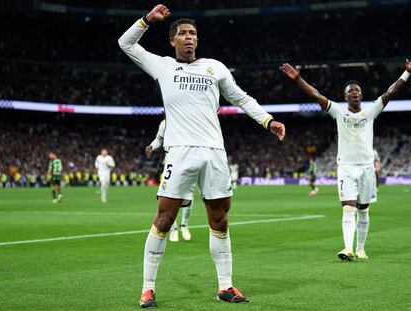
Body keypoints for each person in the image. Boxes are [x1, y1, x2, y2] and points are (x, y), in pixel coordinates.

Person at [118, 4, 285, 308]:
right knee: (165, 218)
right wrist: (146, 21)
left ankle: (225, 287)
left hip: (214, 153)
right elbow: (125, 44)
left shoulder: (215, 67)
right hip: (180, 153)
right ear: (172, 41)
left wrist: (268, 121)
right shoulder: (163, 66)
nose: (189, 38)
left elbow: (241, 98)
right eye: (182, 33)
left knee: (219, 220)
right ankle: (148, 288)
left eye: (193, 33)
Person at [282, 60, 411, 261]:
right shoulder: (338, 111)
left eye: (358, 91)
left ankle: (361, 248)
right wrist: (298, 79)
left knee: (363, 209)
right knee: (348, 207)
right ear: (345, 96)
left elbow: (390, 92)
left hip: (367, 167)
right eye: (351, 91)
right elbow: (316, 95)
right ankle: (348, 248)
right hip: (346, 168)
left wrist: (406, 74)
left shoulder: (370, 111)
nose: (355, 93)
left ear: (361, 95)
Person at [146, 119, 193, 242]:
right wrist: (152, 146)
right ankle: (173, 228)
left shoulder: (189, 117)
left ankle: (184, 225)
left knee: (188, 193)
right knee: (167, 194)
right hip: (170, 159)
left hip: (188, 157)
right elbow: (159, 139)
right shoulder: (164, 123)